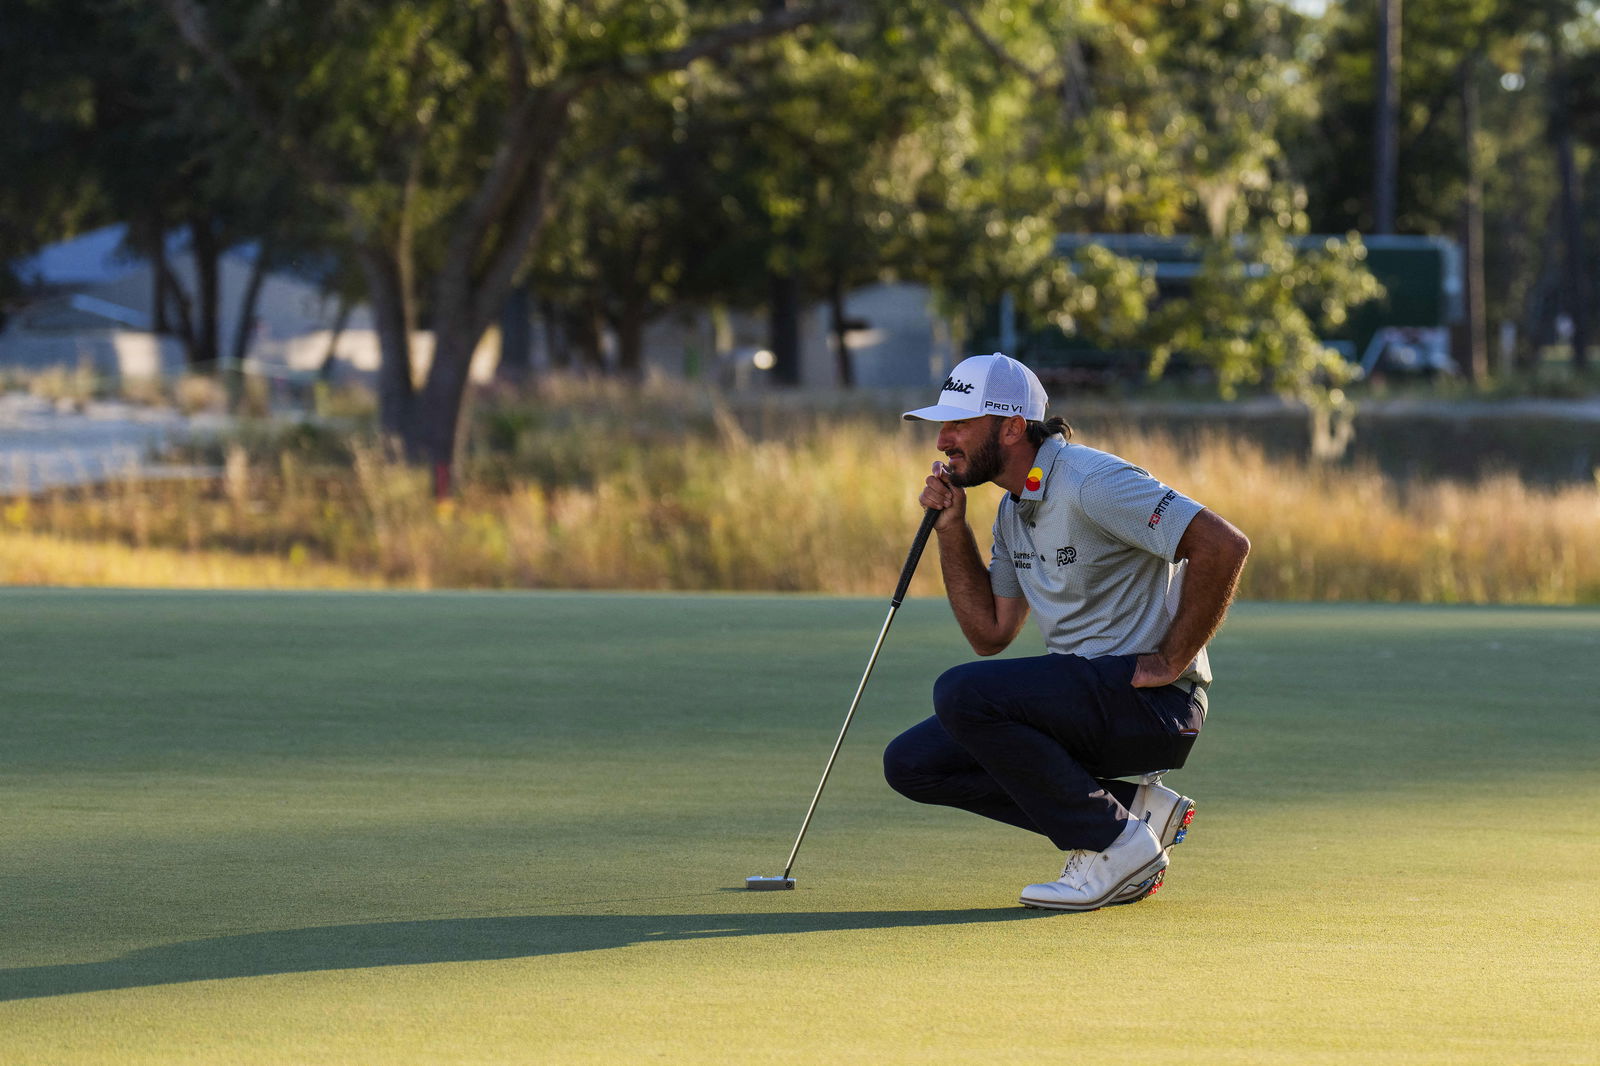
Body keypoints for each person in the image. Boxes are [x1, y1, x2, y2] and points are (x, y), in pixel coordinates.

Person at [883, 352, 1250, 911]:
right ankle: (1131, 811)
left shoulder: (1091, 480)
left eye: (959, 424)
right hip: (1090, 698)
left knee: (965, 692)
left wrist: (1172, 659)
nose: (942, 441)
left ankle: (1114, 842)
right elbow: (992, 631)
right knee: (913, 763)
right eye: (942, 425)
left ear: (1010, 426)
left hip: (1154, 703)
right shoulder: (1013, 509)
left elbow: (1223, 545)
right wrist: (952, 529)